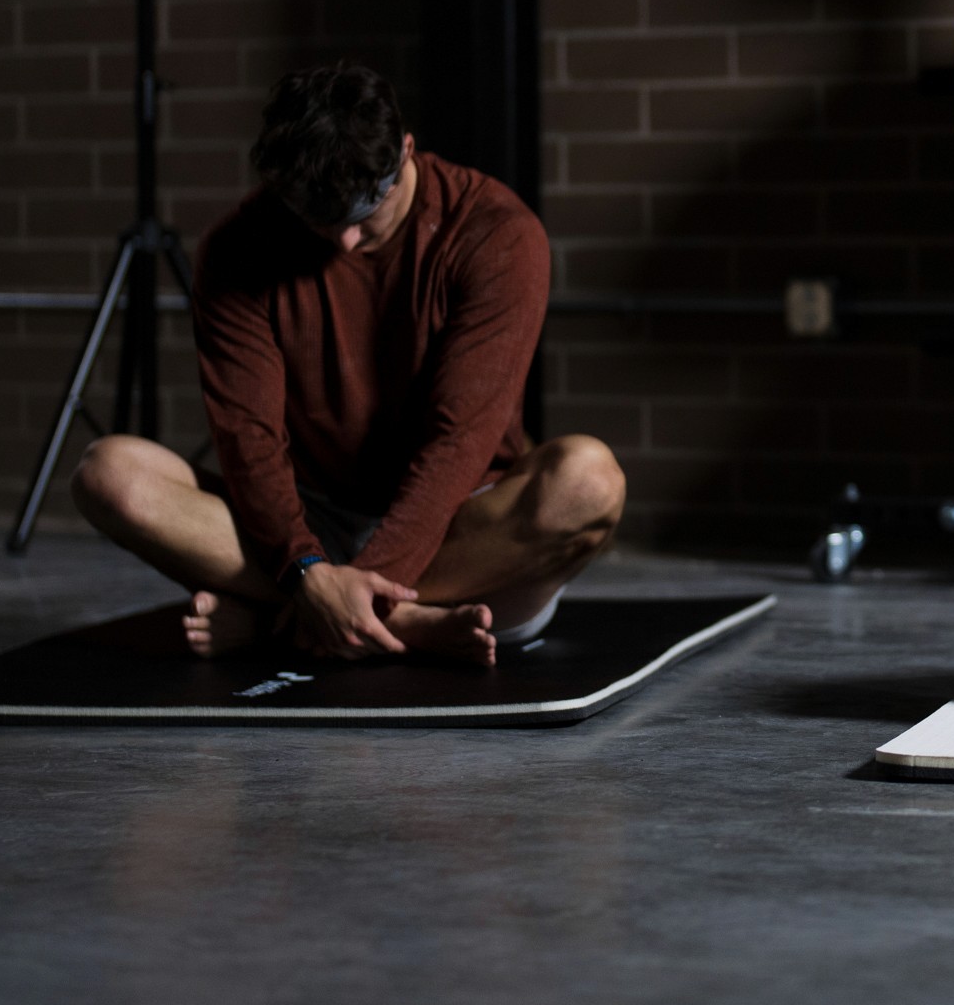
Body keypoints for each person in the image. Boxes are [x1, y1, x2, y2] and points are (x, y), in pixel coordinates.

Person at [72, 61, 624, 664]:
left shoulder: (497, 234)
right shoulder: (238, 248)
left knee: (589, 480)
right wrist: (307, 569)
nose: (343, 245)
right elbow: (249, 440)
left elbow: (456, 443)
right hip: (309, 532)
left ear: (407, 150)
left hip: (462, 534)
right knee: (109, 474)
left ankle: (288, 625)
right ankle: (396, 626)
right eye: (318, 223)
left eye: (364, 216)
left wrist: (353, 590)